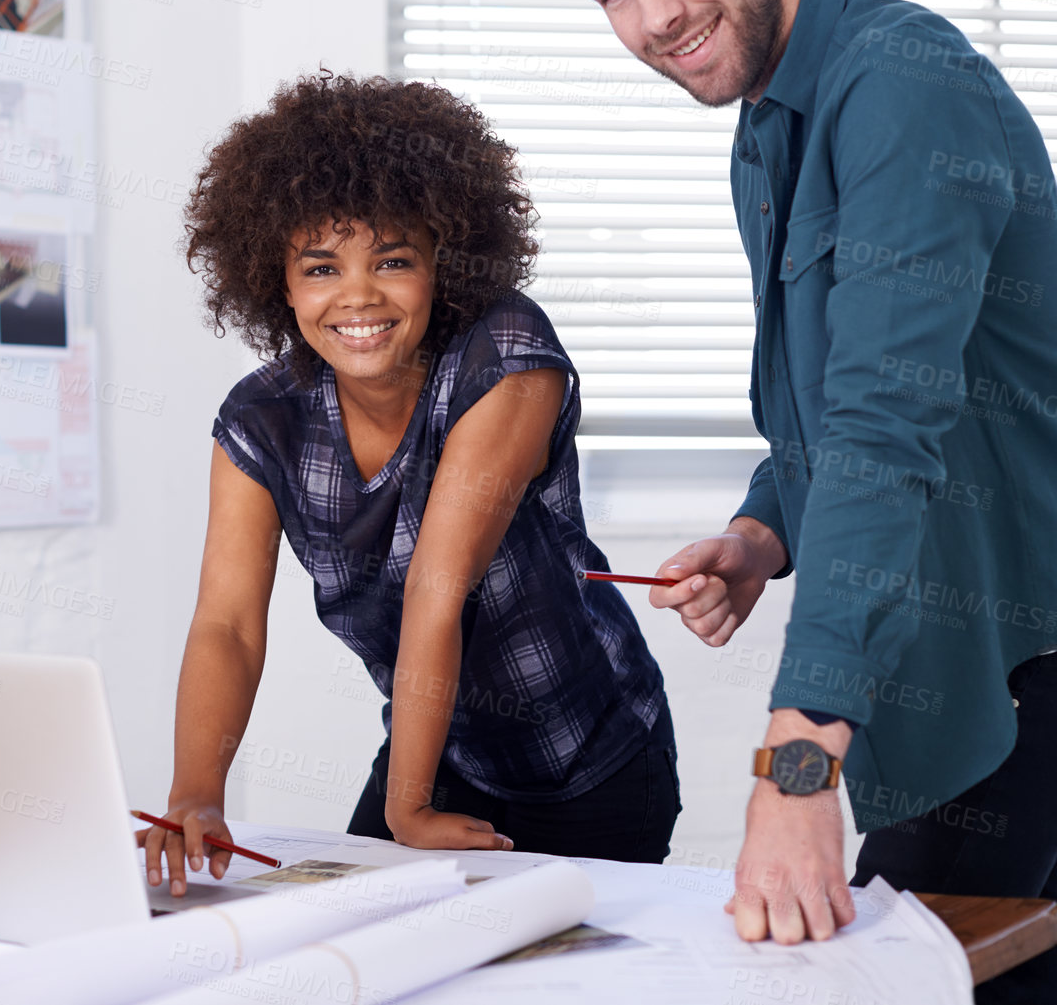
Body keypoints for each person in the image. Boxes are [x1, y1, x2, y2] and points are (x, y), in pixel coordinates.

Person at [555, 0, 1057, 1000]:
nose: (651, 16)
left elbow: (887, 426)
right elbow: (823, 413)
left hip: (1026, 639)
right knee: (975, 972)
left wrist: (794, 768)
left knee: (891, 972)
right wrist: (755, 535)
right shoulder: (767, 127)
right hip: (936, 636)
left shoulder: (901, 87)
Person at [140, 71, 678, 897]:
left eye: (392, 260)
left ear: (443, 261)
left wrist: (406, 813)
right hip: (441, 750)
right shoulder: (263, 420)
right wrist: (194, 796)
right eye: (320, 268)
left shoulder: (505, 356)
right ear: (277, 282)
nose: (358, 295)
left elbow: (438, 588)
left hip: (591, 757)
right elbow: (229, 623)